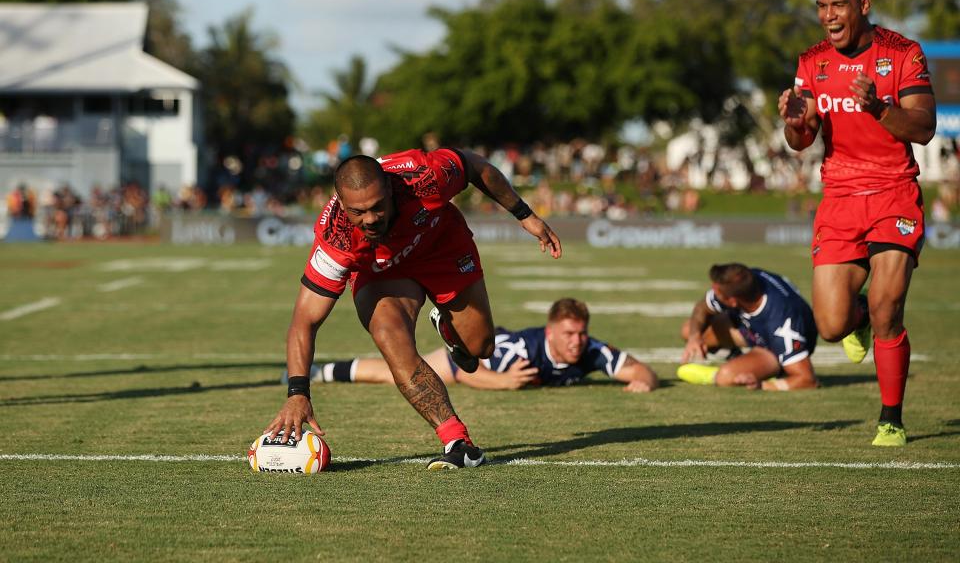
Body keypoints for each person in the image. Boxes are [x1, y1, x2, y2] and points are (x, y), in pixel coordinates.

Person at [264, 147, 562, 470]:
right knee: (389, 337)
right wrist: (297, 392)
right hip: (383, 274)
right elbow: (304, 321)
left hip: (441, 247)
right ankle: (456, 440)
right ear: (340, 203)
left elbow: (475, 166)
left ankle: (448, 328)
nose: (370, 219)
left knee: (480, 349)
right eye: (358, 212)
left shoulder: (423, 176)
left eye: (377, 207)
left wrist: (525, 215)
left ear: (390, 189)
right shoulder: (335, 236)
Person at [778, 0, 936, 446]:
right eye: (822, 6)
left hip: (893, 193)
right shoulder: (812, 61)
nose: (829, 15)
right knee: (829, 326)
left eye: (838, 5)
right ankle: (858, 316)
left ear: (863, 6)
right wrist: (794, 121)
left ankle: (891, 417)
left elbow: (924, 128)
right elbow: (800, 140)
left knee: (891, 307)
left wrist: (879, 109)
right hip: (841, 198)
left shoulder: (902, 53)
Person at [295, 298, 659, 393]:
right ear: (550, 333)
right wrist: (505, 382)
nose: (577, 341)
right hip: (476, 350)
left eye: (580, 333)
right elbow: (462, 370)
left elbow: (639, 368)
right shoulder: (519, 351)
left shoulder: (591, 350)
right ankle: (317, 371)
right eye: (568, 334)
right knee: (401, 374)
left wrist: (644, 380)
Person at [678, 263, 818, 391]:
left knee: (725, 377)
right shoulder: (746, 282)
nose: (713, 294)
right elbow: (702, 308)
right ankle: (737, 358)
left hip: (773, 346)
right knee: (689, 330)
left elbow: (807, 380)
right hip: (750, 328)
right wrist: (694, 338)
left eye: (717, 292)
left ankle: (758, 371)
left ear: (732, 301)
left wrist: (764, 385)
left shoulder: (782, 321)